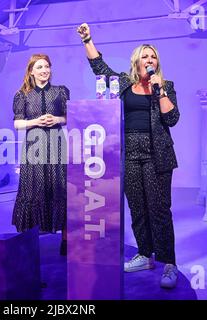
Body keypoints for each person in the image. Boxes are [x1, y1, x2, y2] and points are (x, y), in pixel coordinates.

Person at [77, 23, 180, 288]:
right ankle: (145, 254)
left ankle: (169, 263)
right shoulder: (123, 84)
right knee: (137, 208)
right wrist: (88, 40)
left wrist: (161, 92)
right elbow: (100, 67)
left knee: (159, 209)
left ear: (157, 63)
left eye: (153, 56)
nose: (149, 60)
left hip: (158, 154)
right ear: (136, 61)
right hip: (129, 153)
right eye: (145, 56)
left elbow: (172, 118)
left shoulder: (165, 85)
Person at [12, 54, 69, 256]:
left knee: (59, 188)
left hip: (56, 143)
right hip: (33, 144)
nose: (44, 70)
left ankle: (65, 239)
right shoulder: (22, 95)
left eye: (47, 66)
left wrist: (56, 119)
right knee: (31, 189)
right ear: (31, 71)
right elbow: (17, 123)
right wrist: (35, 122)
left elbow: (68, 117)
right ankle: (29, 240)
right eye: (39, 67)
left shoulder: (60, 92)